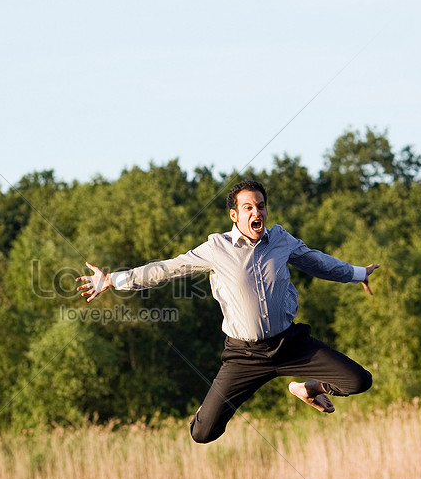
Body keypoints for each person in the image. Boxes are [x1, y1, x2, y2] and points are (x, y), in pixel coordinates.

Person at [77, 179, 378, 444]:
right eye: (247, 208)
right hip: (244, 356)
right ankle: (211, 407)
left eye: (260, 206)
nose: (256, 213)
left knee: (358, 380)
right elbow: (166, 270)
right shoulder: (216, 249)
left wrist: (356, 273)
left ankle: (307, 388)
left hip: (290, 345)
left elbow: (316, 261)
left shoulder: (281, 241)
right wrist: (113, 280)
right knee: (203, 434)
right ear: (234, 215)